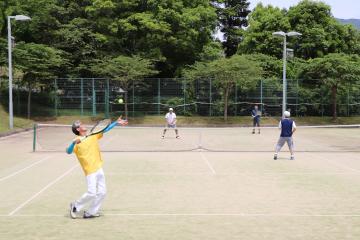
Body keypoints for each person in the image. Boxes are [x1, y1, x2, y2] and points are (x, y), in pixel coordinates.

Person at [66, 117, 128, 219]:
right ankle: (75, 206)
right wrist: (73, 143)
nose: (83, 125)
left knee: (102, 192)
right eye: (81, 124)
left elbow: (105, 129)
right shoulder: (77, 141)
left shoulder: (92, 135)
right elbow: (68, 151)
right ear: (78, 129)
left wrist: (116, 123)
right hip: (89, 170)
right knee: (91, 193)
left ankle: (90, 212)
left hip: (99, 167)